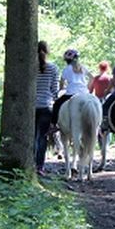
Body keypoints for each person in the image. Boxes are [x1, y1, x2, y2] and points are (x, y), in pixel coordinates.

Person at [35, 41, 59, 176]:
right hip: (46, 106)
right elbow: (54, 90)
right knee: (42, 138)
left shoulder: (30, 68)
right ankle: (39, 166)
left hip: (32, 107)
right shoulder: (53, 68)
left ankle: (31, 164)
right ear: (47, 51)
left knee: (32, 137)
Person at [51, 49, 90, 126]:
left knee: (56, 104)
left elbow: (61, 83)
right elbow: (92, 78)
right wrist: (88, 88)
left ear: (67, 60)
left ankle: (53, 125)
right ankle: (99, 128)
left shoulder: (66, 69)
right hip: (84, 93)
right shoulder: (83, 67)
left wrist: (61, 90)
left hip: (71, 93)